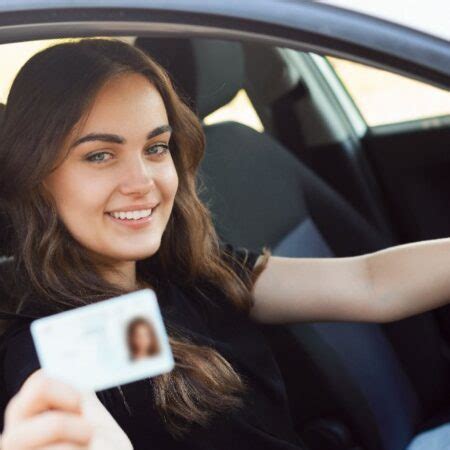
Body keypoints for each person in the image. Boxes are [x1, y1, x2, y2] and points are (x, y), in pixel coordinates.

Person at [0, 38, 448, 450]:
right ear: (35, 174)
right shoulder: (48, 352)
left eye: (156, 148)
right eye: (100, 155)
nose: (143, 182)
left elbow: (368, 283)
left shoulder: (190, 274)